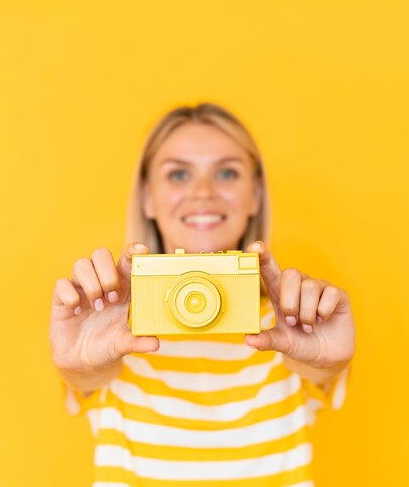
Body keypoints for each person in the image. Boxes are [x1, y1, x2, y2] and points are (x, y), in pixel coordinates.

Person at [50, 102, 355, 487]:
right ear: (147, 196)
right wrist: (80, 366)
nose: (203, 193)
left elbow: (319, 367)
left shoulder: (293, 323)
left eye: (227, 172)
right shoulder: (110, 326)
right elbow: (86, 376)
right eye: (178, 174)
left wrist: (326, 363)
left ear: (255, 195)